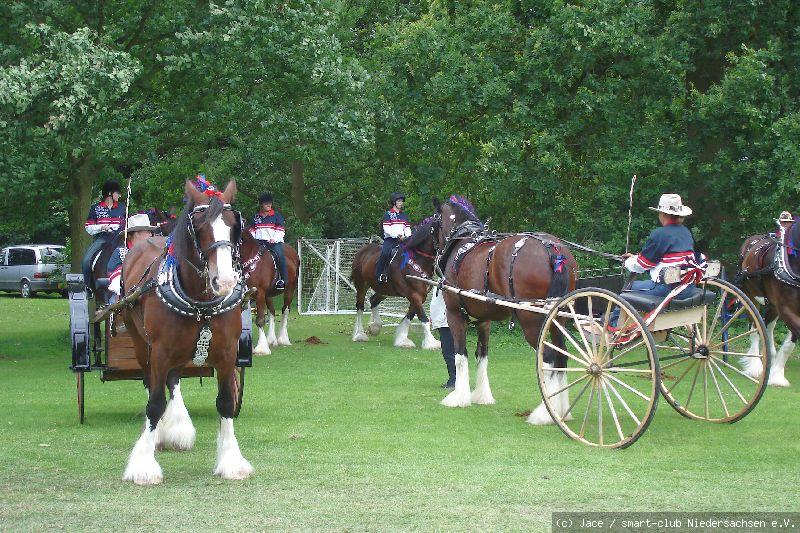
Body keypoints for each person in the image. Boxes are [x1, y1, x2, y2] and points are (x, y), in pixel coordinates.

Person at [620, 193, 698, 298]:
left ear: (663, 214)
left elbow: (643, 265)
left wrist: (628, 262)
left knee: (626, 287)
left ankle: (613, 315)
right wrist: (635, 258)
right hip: (687, 288)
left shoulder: (660, 234)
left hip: (666, 289)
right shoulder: (686, 232)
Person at [81, 180, 126, 292]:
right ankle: (87, 287)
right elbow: (88, 227)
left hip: (119, 238)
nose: (119, 195)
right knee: (86, 260)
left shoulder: (122, 208)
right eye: (117, 193)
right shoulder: (95, 208)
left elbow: (126, 222)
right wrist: (101, 227)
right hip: (103, 238)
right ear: (110, 193)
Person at [106, 214, 158, 302]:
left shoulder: (153, 254)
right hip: (125, 296)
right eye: (148, 231)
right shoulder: (121, 253)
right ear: (136, 234)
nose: (151, 235)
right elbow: (116, 280)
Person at [250, 192, 288, 290]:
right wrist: (253, 240)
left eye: (270, 203)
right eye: (266, 203)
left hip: (273, 243)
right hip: (259, 243)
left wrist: (274, 239)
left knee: (280, 256)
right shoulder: (256, 217)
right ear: (261, 204)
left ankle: (283, 280)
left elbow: (280, 230)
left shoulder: (276, 216)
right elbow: (252, 230)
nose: (268, 205)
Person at [376, 192, 411, 283]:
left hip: (403, 240)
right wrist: (397, 235)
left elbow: (407, 228)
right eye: (399, 201)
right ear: (394, 202)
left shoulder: (404, 215)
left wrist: (407, 236)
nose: (401, 203)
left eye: (402, 201)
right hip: (391, 240)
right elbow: (387, 229)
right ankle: (380, 274)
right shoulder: (388, 214)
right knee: (385, 253)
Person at [430, 288, 456, 389]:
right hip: (441, 322)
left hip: (447, 322)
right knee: (447, 352)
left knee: (450, 353)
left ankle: (454, 380)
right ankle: (454, 379)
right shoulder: (441, 281)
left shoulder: (448, 281)